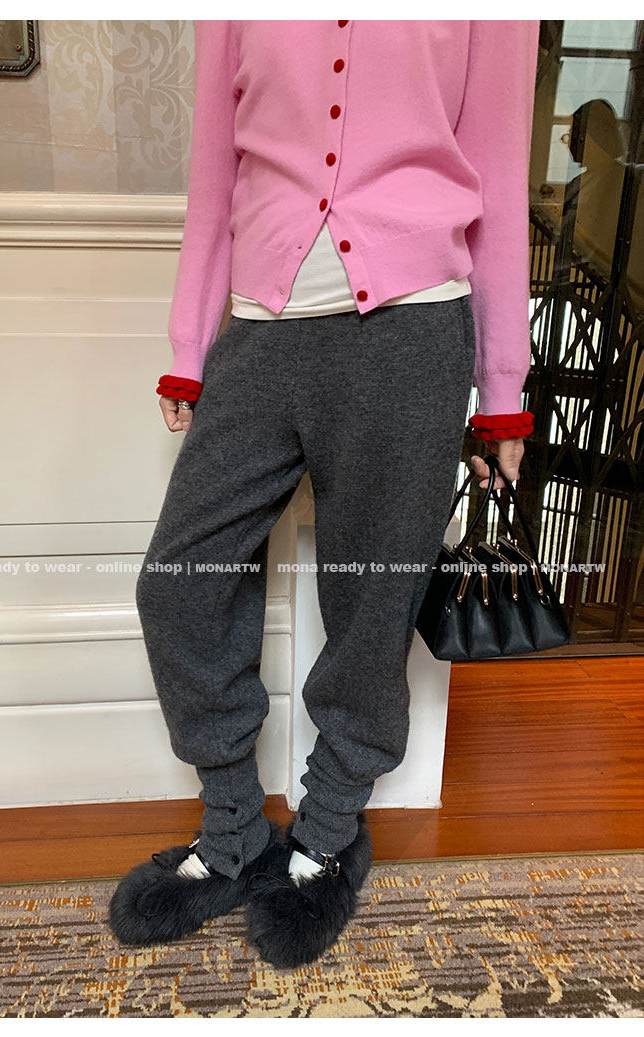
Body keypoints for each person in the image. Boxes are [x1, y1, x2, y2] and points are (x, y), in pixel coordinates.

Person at [110, 19, 539, 968]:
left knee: (370, 601)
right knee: (179, 584)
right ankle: (232, 829)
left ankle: (330, 832)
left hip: (412, 334)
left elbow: (500, 174)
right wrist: (191, 347)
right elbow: (215, 177)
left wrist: (503, 388)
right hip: (261, 332)